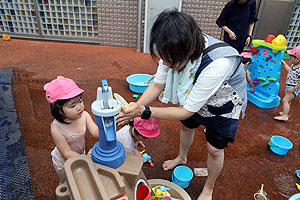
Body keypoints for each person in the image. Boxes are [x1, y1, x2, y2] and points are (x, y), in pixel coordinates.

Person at [116, 9, 247, 200]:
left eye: (171, 62)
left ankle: (209, 188)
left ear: (189, 51)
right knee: (186, 128)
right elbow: (157, 84)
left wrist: (144, 111)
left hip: (223, 103)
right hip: (193, 95)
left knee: (214, 149)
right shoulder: (173, 49)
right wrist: (134, 108)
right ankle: (181, 157)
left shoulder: (218, 64)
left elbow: (185, 111)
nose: (166, 65)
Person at [44, 76, 99, 184]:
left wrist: (107, 127)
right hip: (64, 161)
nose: (79, 107)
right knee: (67, 181)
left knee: (79, 176)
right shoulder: (57, 128)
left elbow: (95, 132)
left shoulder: (84, 115)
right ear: (59, 111)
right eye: (72, 105)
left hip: (80, 153)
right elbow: (66, 152)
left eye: (80, 101)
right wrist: (85, 158)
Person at [274, 46, 300, 122]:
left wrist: (294, 89)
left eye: (291, 58)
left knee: (285, 100)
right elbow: (290, 71)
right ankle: (286, 112)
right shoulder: (293, 65)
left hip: (294, 87)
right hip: (289, 85)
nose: (290, 59)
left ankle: (285, 116)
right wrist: (285, 64)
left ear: (297, 59)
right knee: (288, 101)